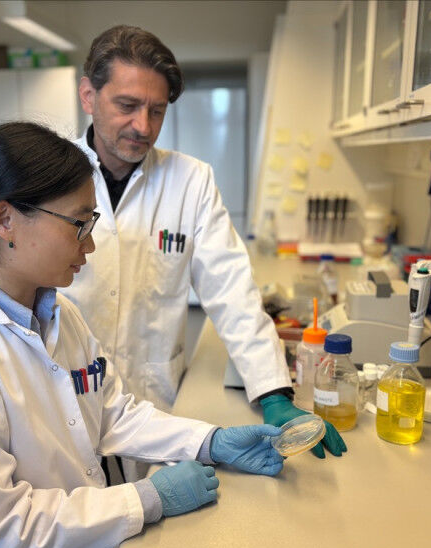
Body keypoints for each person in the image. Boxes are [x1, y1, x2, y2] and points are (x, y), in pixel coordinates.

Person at [0, 122, 285, 548]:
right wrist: (146, 498)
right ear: (4, 220)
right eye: (79, 224)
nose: (90, 244)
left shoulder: (58, 315)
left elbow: (111, 413)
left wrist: (209, 440)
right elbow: (2, 530)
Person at [62, 25, 346, 474]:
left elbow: (231, 289)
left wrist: (273, 393)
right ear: (88, 95)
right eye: (127, 106)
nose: (143, 126)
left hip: (152, 401)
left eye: (157, 111)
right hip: (64, 400)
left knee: (152, 510)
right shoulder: (48, 178)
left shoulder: (190, 181)